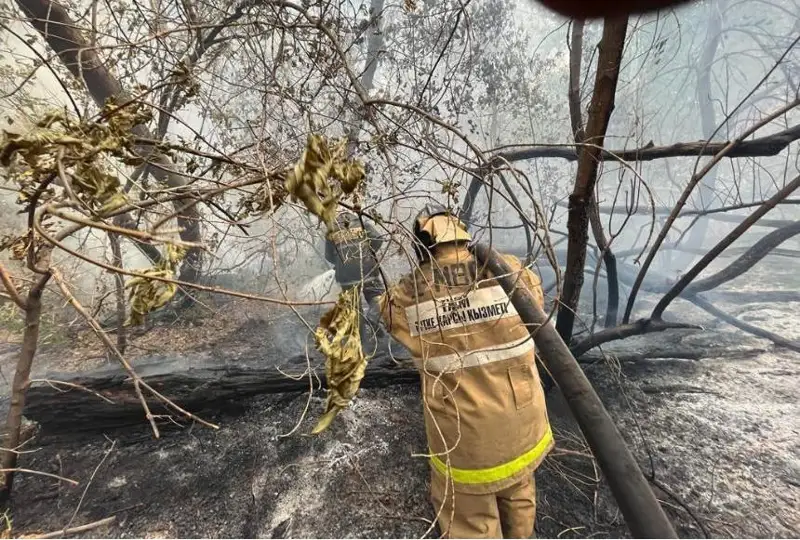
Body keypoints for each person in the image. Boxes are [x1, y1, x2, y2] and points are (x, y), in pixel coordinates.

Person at [376, 204, 554, 539]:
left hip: (465, 437)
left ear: (422, 244)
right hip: (523, 422)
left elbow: (387, 311)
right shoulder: (510, 269)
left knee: (470, 520)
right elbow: (537, 300)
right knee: (518, 494)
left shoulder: (411, 291)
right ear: (463, 234)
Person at [324, 210, 387, 345]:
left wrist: (341, 263)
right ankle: (372, 317)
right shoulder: (362, 222)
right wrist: (369, 252)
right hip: (367, 271)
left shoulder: (331, 231)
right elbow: (378, 239)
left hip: (346, 277)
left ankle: (362, 344)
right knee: (379, 295)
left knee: (354, 309)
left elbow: (328, 256)